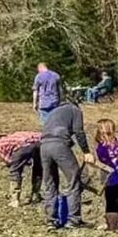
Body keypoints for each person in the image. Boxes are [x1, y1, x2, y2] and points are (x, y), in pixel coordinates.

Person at [40, 97, 94, 228]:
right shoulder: (75, 110)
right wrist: (86, 152)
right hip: (59, 144)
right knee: (73, 180)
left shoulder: (53, 112)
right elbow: (79, 131)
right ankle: (73, 219)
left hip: (44, 146)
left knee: (50, 182)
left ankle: (51, 220)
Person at [95, 119, 118, 232]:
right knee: (113, 203)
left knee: (115, 203)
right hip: (111, 179)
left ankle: (112, 224)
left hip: (117, 178)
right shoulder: (104, 147)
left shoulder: (116, 144)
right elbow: (106, 159)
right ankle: (112, 226)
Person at [0, 131, 43, 207]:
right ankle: (35, 195)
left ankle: (15, 200)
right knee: (38, 168)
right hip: (40, 143)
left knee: (15, 171)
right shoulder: (16, 135)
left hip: (23, 146)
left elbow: (8, 160)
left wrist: (12, 165)